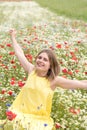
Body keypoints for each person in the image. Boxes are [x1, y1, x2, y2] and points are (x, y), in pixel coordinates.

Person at [0, 29, 87, 130]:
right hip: (19, 117)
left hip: (38, 123)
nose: (40, 61)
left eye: (45, 60)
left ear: (51, 65)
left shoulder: (54, 80)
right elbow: (20, 53)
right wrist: (13, 37)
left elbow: (80, 83)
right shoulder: (31, 71)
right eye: (39, 58)